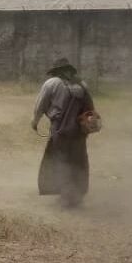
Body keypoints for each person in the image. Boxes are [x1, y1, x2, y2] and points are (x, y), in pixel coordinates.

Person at [31, 58, 95, 207]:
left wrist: (35, 122)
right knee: (78, 161)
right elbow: (90, 109)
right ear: (69, 71)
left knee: (61, 160)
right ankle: (76, 195)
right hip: (79, 131)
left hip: (60, 130)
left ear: (57, 72)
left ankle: (66, 196)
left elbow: (40, 105)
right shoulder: (83, 85)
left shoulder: (51, 83)